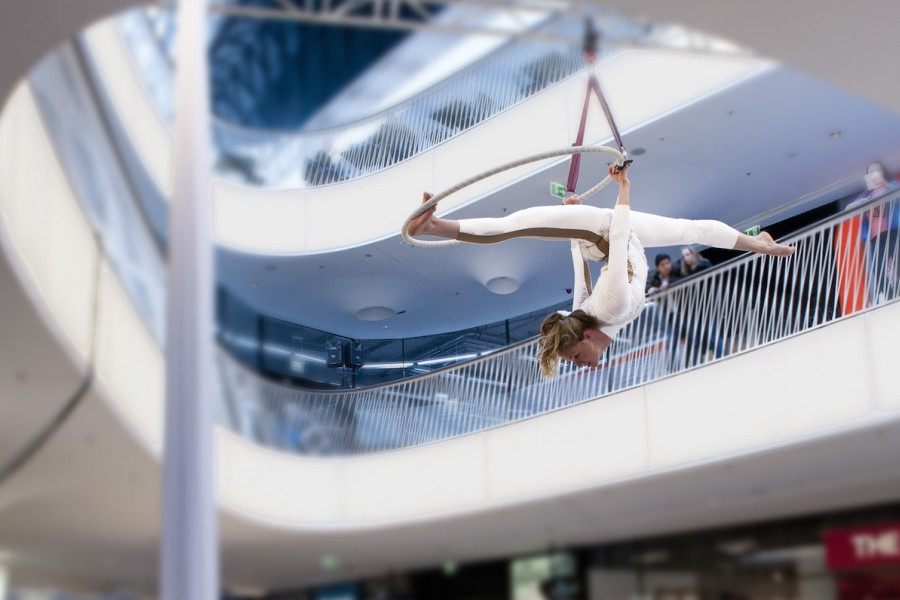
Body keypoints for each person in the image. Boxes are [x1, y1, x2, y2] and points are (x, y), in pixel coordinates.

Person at [408, 165, 794, 377]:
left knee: (522, 223)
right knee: (691, 230)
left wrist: (585, 212)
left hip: (605, 231)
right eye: (577, 359)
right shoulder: (606, 314)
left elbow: (590, 262)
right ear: (590, 336)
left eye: (574, 358)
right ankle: (759, 244)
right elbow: (602, 253)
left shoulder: (604, 308)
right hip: (619, 235)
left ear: (586, 335)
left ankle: (433, 227)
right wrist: (611, 194)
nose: (580, 365)